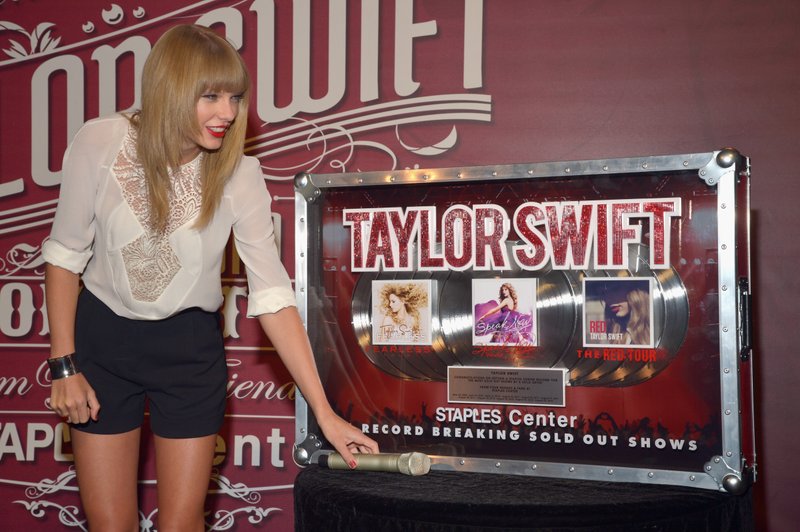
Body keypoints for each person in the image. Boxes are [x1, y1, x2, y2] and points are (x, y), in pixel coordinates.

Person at [43, 24, 378, 531]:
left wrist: (326, 414)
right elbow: (65, 256)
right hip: (102, 342)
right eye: (212, 96)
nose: (228, 112)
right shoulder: (100, 142)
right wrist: (65, 365)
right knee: (110, 525)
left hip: (189, 350)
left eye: (235, 97)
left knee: (183, 525)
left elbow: (272, 296)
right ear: (171, 89)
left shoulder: (240, 175)